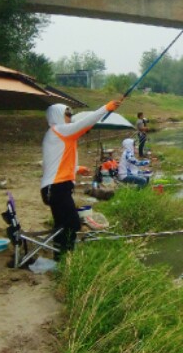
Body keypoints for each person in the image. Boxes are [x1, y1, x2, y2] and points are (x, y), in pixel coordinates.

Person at [41, 99, 123, 259]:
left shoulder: (55, 134)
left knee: (62, 224)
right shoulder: (59, 130)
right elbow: (85, 123)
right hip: (57, 188)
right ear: (57, 115)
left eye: (71, 114)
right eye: (67, 114)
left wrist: (77, 169)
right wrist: (106, 108)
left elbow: (54, 162)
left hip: (56, 187)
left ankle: (60, 257)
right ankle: (66, 256)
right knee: (72, 223)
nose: (70, 117)